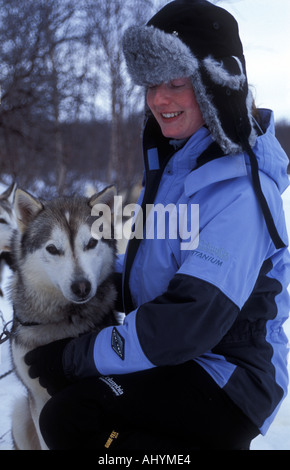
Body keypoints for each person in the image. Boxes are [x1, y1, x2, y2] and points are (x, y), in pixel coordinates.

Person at [25, 0, 290, 450]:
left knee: (73, 419)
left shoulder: (239, 193)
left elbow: (187, 320)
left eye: (175, 83)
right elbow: (158, 262)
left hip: (230, 377)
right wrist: (83, 273)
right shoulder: (181, 165)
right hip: (188, 357)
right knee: (73, 406)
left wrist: (75, 357)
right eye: (150, 85)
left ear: (214, 87)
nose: (158, 100)